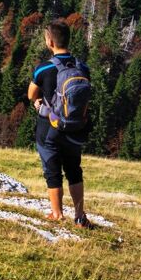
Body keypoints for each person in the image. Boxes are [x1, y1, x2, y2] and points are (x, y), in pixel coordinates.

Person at [27, 20, 93, 228]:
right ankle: (80, 216)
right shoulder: (82, 67)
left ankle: (57, 214)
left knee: (52, 170)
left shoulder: (43, 69)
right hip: (75, 127)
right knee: (74, 169)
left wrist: (38, 103)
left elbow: (31, 94)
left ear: (50, 42)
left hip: (50, 127)